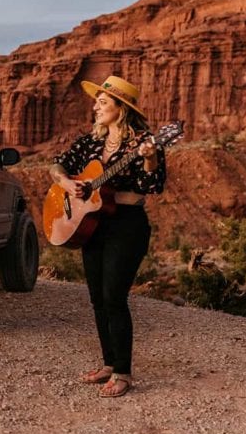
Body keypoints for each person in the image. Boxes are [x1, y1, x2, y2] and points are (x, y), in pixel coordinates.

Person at [48, 75, 166, 398]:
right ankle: (109, 364)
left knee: (114, 296)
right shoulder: (90, 142)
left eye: (103, 102)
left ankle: (124, 373)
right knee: (97, 297)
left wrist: (150, 157)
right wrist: (66, 184)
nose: (96, 106)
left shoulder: (142, 141)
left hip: (127, 225)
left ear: (121, 109)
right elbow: (57, 166)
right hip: (93, 224)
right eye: (97, 101)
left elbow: (153, 185)